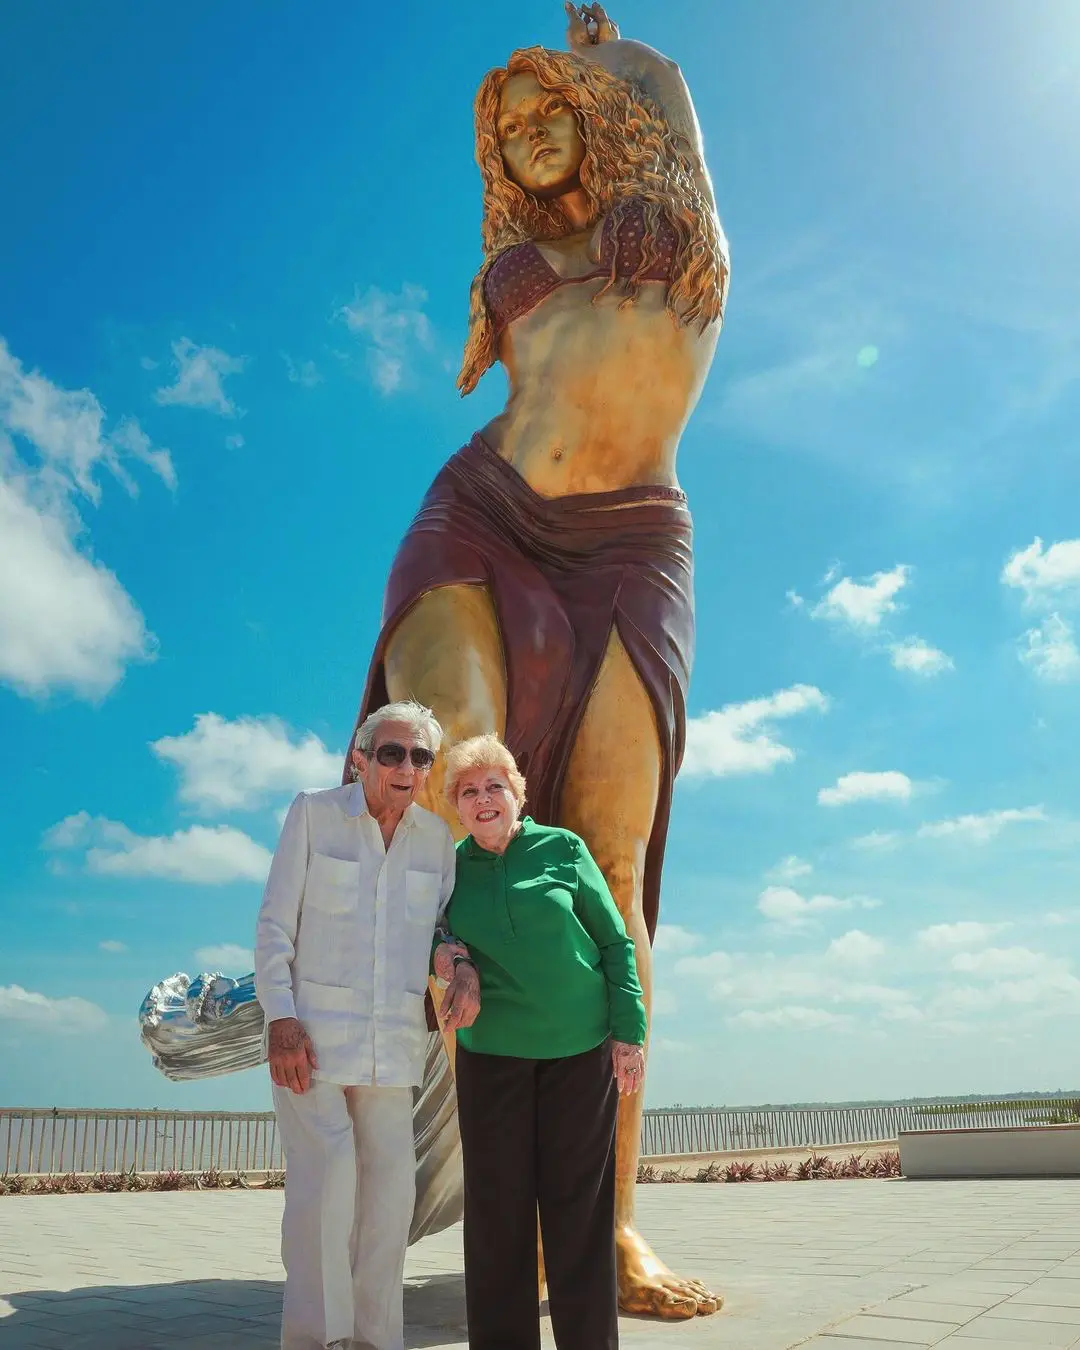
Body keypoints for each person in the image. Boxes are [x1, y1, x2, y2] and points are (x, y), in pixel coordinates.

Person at [343, 1, 726, 1318]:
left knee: (611, 869)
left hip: (631, 543)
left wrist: (611, 50)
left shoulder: (675, 238)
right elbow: (483, 362)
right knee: (452, 785)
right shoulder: (510, 270)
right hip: (480, 517)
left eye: (551, 106)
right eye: (507, 127)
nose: (528, 133)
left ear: (604, 112)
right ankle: (395, 1042)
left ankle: (609, 1225)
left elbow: (665, 98)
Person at [254, 699, 479, 1350]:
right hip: (312, 1040)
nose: (405, 766)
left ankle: (376, 1340)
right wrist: (281, 1019)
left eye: (419, 756)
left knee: (390, 1194)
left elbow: (439, 928)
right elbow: (274, 925)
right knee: (328, 1182)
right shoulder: (313, 813)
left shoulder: (436, 839)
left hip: (392, 1045)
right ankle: (318, 1339)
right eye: (391, 753)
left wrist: (458, 966)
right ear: (361, 759)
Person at [432, 733, 646, 1350]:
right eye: (468, 791)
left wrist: (629, 1034)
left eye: (493, 786)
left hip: (579, 1053)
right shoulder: (448, 868)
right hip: (492, 1059)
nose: (482, 799)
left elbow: (614, 941)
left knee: (577, 1215)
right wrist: (452, 960)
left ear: (516, 795)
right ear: (457, 807)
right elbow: (425, 933)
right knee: (498, 1218)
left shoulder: (563, 848)